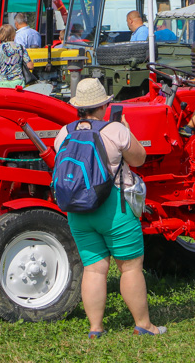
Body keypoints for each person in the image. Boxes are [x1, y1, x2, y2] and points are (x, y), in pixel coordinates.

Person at [53, 78, 165, 338]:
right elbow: (139, 158)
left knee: (93, 269)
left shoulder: (64, 133)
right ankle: (143, 325)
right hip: (114, 208)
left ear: (79, 107)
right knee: (130, 267)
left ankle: (95, 328)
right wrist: (127, 130)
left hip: (78, 210)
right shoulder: (115, 130)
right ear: (104, 105)